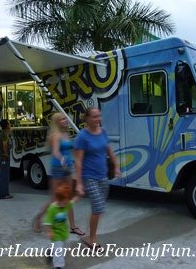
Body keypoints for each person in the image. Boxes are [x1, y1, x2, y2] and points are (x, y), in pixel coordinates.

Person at [75, 107, 120, 250]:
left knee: (98, 210)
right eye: (94, 117)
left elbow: (110, 152)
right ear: (87, 119)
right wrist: (79, 183)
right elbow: (78, 160)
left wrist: (116, 167)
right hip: (89, 177)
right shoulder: (83, 136)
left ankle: (90, 234)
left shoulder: (103, 132)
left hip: (103, 176)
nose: (97, 119)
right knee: (98, 208)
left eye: (98, 116)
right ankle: (92, 239)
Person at [32, 113, 84, 236]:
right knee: (55, 199)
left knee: (69, 197)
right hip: (58, 168)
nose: (66, 120)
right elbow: (55, 152)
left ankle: (73, 227)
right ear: (57, 122)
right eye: (62, 119)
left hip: (67, 168)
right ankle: (39, 218)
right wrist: (62, 160)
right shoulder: (55, 136)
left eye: (66, 118)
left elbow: (69, 150)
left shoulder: (66, 134)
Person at [43, 183, 79, 269]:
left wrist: (79, 194)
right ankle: (58, 266)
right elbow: (48, 222)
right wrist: (49, 231)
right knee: (59, 251)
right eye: (64, 203)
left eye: (67, 202)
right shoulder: (52, 208)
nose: (66, 204)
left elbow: (74, 201)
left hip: (64, 232)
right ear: (58, 200)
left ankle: (50, 251)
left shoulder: (67, 204)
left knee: (59, 247)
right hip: (55, 233)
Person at [0, 119, 13, 199]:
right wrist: (6, 154)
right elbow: (5, 144)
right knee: (5, 177)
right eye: (9, 124)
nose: (10, 125)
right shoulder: (4, 135)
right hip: (3, 158)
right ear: (6, 126)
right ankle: (4, 194)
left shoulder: (1, 134)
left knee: (1, 176)